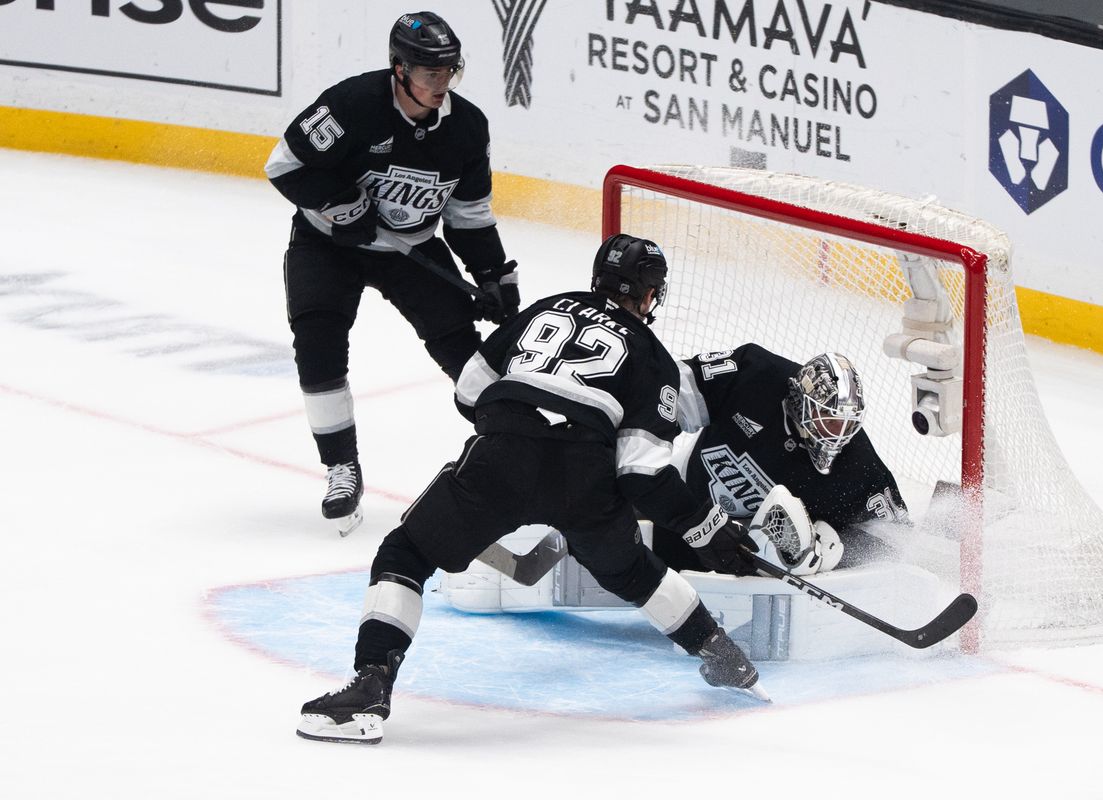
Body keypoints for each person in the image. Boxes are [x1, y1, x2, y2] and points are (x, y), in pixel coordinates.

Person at [296, 234, 767, 745]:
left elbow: (468, 391)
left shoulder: (545, 309)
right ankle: (725, 660)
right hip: (584, 477)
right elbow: (641, 473)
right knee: (632, 571)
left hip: (502, 456)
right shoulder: (653, 356)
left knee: (405, 552)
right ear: (651, 295)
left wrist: (518, 418)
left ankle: (369, 689)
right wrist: (709, 527)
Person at [264, 11, 519, 534]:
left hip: (411, 250)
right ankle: (340, 466)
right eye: (430, 73)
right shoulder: (352, 104)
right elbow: (285, 165)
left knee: (461, 349)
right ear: (398, 69)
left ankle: (523, 454)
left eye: (449, 72)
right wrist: (341, 205)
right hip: (327, 245)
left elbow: (468, 216)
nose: (441, 84)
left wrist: (493, 274)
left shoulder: (467, 128)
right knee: (317, 340)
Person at [652, 345, 909, 577]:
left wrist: (838, 548)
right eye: (829, 420)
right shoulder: (755, 376)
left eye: (847, 424)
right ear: (800, 400)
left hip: (751, 560)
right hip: (685, 508)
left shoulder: (858, 466)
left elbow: (895, 542)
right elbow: (668, 392)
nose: (838, 434)